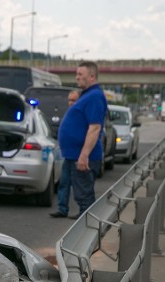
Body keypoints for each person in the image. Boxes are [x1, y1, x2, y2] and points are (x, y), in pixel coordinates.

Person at [56, 61, 107, 218]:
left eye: (80, 75)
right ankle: (83, 224)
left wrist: (84, 155)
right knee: (80, 193)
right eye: (76, 74)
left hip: (83, 157)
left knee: (84, 196)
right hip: (74, 155)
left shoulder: (95, 97)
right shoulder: (87, 95)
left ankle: (86, 231)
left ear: (92, 76)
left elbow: (95, 128)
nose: (77, 78)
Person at [49, 89, 81, 218]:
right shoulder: (70, 113)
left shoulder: (80, 114)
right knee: (64, 183)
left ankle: (83, 210)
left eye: (74, 100)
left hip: (77, 155)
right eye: (69, 100)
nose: (71, 103)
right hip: (67, 155)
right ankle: (62, 208)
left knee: (79, 186)